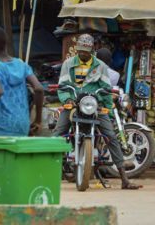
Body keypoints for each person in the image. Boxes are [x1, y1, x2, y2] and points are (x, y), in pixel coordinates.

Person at [52, 34, 140, 190]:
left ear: (92, 50)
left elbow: (106, 89)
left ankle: (124, 179)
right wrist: (67, 100)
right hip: (73, 104)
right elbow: (63, 86)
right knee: (57, 133)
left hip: (94, 105)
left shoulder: (101, 66)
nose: (83, 54)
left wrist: (109, 109)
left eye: (86, 51)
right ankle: (49, 171)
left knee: (111, 136)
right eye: (80, 51)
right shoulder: (68, 64)